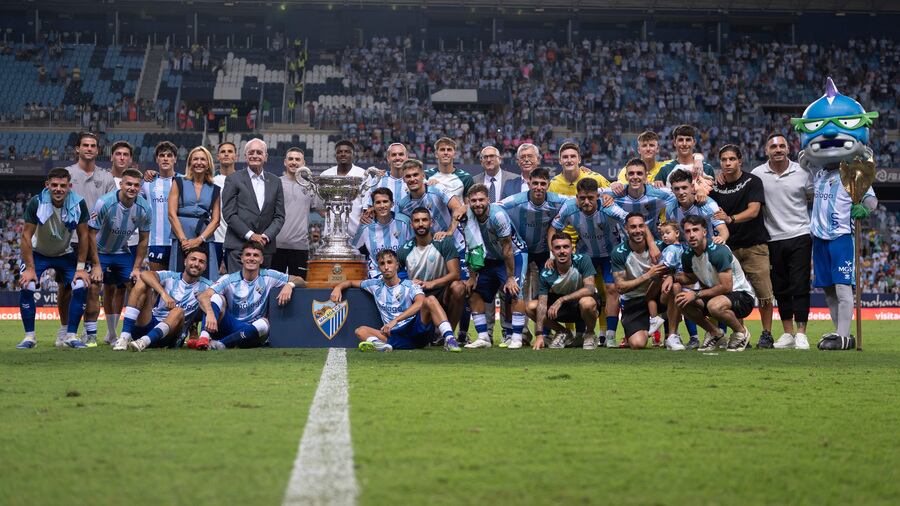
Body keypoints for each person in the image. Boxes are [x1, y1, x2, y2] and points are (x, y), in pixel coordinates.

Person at [549, 177, 633, 348]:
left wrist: (630, 247)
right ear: (576, 197)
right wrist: (552, 255)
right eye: (582, 198)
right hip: (585, 255)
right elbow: (553, 228)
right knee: (580, 291)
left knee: (611, 289)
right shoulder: (570, 207)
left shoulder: (608, 206)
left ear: (598, 196)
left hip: (610, 254)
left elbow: (630, 220)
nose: (586, 202)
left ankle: (609, 335)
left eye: (591, 198)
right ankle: (582, 334)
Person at [15, 168, 91, 349]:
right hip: (38, 252)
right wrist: (30, 269)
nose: (58, 189)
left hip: (64, 253)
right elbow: (26, 236)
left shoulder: (78, 203)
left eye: (63, 186)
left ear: (69, 187)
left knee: (81, 285)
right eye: (54, 185)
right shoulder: (36, 202)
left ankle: (71, 335)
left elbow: (84, 237)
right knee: (28, 285)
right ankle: (29, 337)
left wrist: (80, 268)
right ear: (47, 185)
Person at [751, 134, 814, 349]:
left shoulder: (803, 172)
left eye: (781, 146)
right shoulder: (758, 174)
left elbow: (814, 196)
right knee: (781, 288)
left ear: (789, 148)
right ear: (766, 150)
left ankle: (802, 333)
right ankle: (788, 334)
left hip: (800, 235)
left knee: (800, 285)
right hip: (773, 238)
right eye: (773, 146)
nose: (778, 149)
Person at [330, 249, 460, 352]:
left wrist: (395, 320)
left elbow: (420, 303)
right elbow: (351, 282)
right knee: (360, 331)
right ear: (378, 267)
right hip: (394, 336)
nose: (386, 267)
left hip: (415, 331)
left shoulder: (410, 285)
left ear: (397, 265)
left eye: (389, 262)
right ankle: (381, 346)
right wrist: (338, 287)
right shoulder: (374, 285)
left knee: (430, 300)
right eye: (382, 264)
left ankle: (450, 339)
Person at [710, 145, 774, 348]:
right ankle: (741, 334)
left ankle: (766, 334)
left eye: (732, 159)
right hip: (728, 248)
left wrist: (730, 219)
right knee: (733, 294)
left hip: (754, 245)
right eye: (724, 160)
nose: (728, 163)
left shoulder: (752, 181)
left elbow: (754, 211)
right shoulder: (716, 186)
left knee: (764, 292)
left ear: (740, 161)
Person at [83, 169, 151, 347]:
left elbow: (144, 240)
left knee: (138, 285)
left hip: (122, 251)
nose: (132, 188)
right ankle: (90, 335)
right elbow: (91, 234)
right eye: (128, 184)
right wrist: (96, 264)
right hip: (100, 251)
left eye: (136, 185)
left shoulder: (144, 208)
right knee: (94, 286)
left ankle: (132, 332)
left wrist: (137, 268)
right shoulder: (104, 203)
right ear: (121, 184)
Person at [500, 167, 568, 344]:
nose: (538, 187)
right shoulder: (516, 200)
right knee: (515, 287)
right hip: (520, 249)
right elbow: (495, 207)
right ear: (529, 183)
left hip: (543, 251)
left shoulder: (557, 200)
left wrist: (606, 192)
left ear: (548, 184)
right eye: (535, 183)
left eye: (543, 184)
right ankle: (518, 333)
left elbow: (577, 200)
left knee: (543, 291)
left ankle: (545, 332)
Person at [197, 241, 305, 349]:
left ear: (261, 260)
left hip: (252, 332)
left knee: (264, 323)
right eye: (248, 254)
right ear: (242, 258)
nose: (251, 258)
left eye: (256, 255)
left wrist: (289, 285)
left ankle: (221, 344)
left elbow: (300, 280)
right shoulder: (228, 279)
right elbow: (203, 296)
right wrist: (210, 314)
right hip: (230, 325)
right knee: (216, 297)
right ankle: (204, 338)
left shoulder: (269, 276)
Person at [674, 215, 757, 352]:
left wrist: (696, 295)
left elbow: (726, 287)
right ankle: (715, 333)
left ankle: (741, 333)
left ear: (705, 232)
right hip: (716, 296)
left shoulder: (718, 251)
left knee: (714, 306)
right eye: (688, 231)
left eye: (696, 230)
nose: (692, 235)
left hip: (741, 296)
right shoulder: (687, 255)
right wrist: (671, 277)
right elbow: (691, 278)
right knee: (682, 301)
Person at [64, 132, 116, 345]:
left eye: (93, 145)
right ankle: (64, 331)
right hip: (70, 240)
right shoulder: (66, 174)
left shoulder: (106, 178)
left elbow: (112, 209)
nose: (89, 148)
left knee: (94, 287)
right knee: (66, 288)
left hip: (96, 242)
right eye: (85, 145)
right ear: (77, 149)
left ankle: (90, 334)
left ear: (97, 150)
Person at [463, 184, 529, 350]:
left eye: (481, 200)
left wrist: (511, 277)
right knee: (474, 292)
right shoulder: (468, 216)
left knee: (515, 291)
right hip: (490, 258)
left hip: (514, 254)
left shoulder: (498, 216)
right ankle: (483, 337)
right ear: (469, 202)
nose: (478, 204)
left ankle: (517, 337)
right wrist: (472, 277)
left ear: (488, 200)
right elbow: (470, 247)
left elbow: (507, 248)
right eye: (474, 201)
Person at [114, 249, 213, 351]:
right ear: (185, 262)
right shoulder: (170, 276)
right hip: (150, 323)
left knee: (178, 311)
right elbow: (145, 274)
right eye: (193, 259)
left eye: (201, 262)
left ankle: (143, 342)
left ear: (205, 267)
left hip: (171, 336)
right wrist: (164, 294)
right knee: (142, 282)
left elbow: (219, 300)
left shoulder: (208, 286)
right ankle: (124, 337)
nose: (196, 264)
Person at [397, 207, 467, 331]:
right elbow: (398, 279)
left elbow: (455, 274)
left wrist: (432, 283)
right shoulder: (404, 250)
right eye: (417, 221)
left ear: (431, 222)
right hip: (419, 294)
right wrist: (411, 284)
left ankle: (447, 333)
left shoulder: (443, 242)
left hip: (442, 291)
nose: (421, 224)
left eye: (424, 220)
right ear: (412, 225)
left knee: (459, 287)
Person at [222, 138, 285, 272]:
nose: (255, 155)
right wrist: (250, 235)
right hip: (238, 247)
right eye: (251, 152)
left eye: (259, 152)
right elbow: (229, 213)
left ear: (265, 157)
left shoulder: (276, 181)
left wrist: (265, 236)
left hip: (265, 248)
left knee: (261, 291)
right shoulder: (233, 179)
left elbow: (279, 216)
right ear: (245, 156)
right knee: (238, 290)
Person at [527, 232, 599, 350]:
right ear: (552, 251)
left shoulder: (583, 260)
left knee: (587, 302)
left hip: (579, 304)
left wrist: (562, 299)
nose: (562, 251)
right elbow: (541, 304)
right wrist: (539, 335)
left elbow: (590, 288)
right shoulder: (546, 272)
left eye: (566, 246)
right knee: (530, 306)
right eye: (557, 248)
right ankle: (563, 332)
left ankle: (590, 334)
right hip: (560, 308)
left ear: (572, 248)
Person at [610, 213, 668, 349]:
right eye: (633, 227)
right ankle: (643, 329)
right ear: (626, 229)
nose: (637, 230)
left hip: (657, 296)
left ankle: (672, 335)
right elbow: (620, 287)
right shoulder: (619, 252)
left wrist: (666, 276)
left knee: (675, 287)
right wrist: (648, 275)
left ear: (645, 228)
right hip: (634, 300)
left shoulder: (660, 247)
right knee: (637, 344)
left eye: (641, 226)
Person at [168, 146, 221, 279]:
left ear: (208, 164)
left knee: (207, 278)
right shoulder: (178, 182)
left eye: (203, 159)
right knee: (178, 276)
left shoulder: (215, 188)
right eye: (195, 159)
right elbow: (171, 214)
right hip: (181, 237)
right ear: (190, 163)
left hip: (204, 237)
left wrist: (199, 240)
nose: (199, 162)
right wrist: (183, 240)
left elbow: (216, 220)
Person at [103, 140, 137, 345]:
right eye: (118, 154)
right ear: (112, 157)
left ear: (131, 159)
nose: (122, 157)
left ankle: (126, 329)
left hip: (131, 242)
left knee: (125, 287)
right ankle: (110, 332)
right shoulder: (105, 180)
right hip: (109, 243)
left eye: (126, 154)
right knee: (108, 287)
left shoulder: (137, 180)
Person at [273, 147, 321, 276]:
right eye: (291, 159)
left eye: (297, 159)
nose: (294, 162)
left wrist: (319, 188)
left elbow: (322, 211)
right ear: (285, 162)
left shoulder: (310, 186)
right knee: (274, 288)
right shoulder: (275, 183)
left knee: (299, 287)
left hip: (300, 247)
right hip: (276, 246)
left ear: (303, 163)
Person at [605, 158, 675, 238]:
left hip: (653, 243)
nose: (635, 177)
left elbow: (678, 196)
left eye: (639, 173)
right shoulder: (617, 192)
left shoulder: (659, 193)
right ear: (626, 177)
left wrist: (666, 224)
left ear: (646, 176)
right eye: (631, 173)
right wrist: (610, 186)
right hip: (626, 245)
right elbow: (594, 193)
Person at [353, 187, 412, 278]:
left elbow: (414, 247)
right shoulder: (366, 226)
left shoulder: (403, 222)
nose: (382, 205)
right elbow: (353, 249)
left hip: (402, 274)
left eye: (385, 201)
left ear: (392, 204)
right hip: (377, 275)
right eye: (378, 202)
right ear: (373, 205)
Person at [658, 221, 698, 350]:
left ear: (677, 233)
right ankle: (681, 335)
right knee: (680, 297)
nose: (664, 236)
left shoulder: (681, 248)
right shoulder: (672, 249)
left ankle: (676, 335)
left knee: (683, 303)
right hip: (676, 285)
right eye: (662, 234)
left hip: (683, 283)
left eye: (667, 233)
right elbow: (665, 268)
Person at [666, 169, 728, 244]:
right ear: (672, 190)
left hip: (708, 247)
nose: (681, 192)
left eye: (684, 187)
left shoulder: (709, 204)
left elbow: (723, 231)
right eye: (676, 189)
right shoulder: (670, 209)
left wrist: (720, 240)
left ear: (692, 187)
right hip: (685, 249)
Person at [143, 141, 177, 271]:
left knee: (176, 283)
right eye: (162, 155)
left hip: (177, 241)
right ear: (157, 159)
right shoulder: (147, 183)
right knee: (156, 284)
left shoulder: (183, 181)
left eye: (169, 155)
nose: (166, 158)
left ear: (175, 159)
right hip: (156, 242)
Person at [321, 140, 366, 237]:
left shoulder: (363, 175)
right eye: (339, 152)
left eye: (347, 152)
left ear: (353, 155)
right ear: (335, 155)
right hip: (331, 231)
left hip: (356, 230)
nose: (343, 154)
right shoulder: (325, 175)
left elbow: (367, 203)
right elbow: (319, 203)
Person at [212, 142, 237, 273]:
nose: (226, 154)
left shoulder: (243, 181)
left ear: (236, 156)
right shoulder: (211, 182)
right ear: (218, 157)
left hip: (235, 240)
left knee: (235, 281)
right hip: (214, 239)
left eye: (230, 151)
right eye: (223, 151)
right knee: (211, 281)